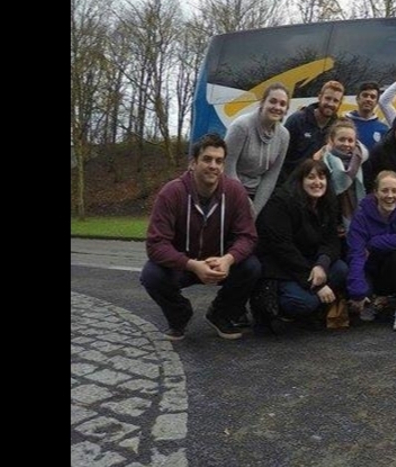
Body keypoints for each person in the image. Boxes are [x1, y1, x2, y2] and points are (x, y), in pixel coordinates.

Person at [141, 133, 261, 341]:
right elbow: (156, 244)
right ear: (193, 163)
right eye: (207, 159)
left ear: (223, 166)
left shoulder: (235, 192)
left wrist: (228, 259)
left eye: (219, 161)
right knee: (151, 274)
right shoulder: (171, 193)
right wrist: (192, 264)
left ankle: (221, 314)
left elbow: (248, 236)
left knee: (252, 267)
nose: (213, 165)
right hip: (184, 265)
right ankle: (179, 315)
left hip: (220, 264)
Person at [254, 159, 350, 332]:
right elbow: (282, 249)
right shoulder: (282, 203)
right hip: (282, 267)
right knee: (303, 303)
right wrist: (318, 284)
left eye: (322, 177)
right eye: (310, 177)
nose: (317, 182)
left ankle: (312, 305)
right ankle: (277, 308)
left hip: (311, 263)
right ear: (300, 180)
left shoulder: (326, 203)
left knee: (341, 269)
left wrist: (322, 264)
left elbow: (331, 241)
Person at [346, 170, 396, 331]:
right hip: (369, 269)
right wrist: (357, 291)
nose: (390, 195)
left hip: (391, 271)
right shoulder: (361, 216)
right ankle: (370, 299)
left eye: (394, 190)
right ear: (375, 192)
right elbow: (356, 254)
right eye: (385, 190)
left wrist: (373, 243)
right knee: (360, 301)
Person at [224, 82, 292, 216]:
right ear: (262, 103)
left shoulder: (284, 136)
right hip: (231, 189)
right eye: (273, 101)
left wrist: (255, 211)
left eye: (282, 104)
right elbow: (227, 166)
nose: (277, 107)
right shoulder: (241, 126)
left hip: (258, 193)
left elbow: (271, 176)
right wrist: (244, 202)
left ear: (286, 109)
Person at [281, 79, 344, 180]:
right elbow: (279, 157)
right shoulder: (297, 120)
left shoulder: (337, 128)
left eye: (335, 101)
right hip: (291, 186)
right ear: (319, 97)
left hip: (318, 187)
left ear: (340, 103)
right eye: (327, 98)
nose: (331, 104)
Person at [317, 119, 368, 234]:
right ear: (332, 140)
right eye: (341, 139)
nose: (346, 144)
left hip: (359, 219)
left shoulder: (363, 161)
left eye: (350, 140)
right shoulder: (322, 161)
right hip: (329, 220)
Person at [348, 80, 390, 151]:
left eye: (372, 97)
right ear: (357, 99)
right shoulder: (343, 124)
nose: (368, 99)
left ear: (376, 102)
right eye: (365, 95)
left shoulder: (384, 129)